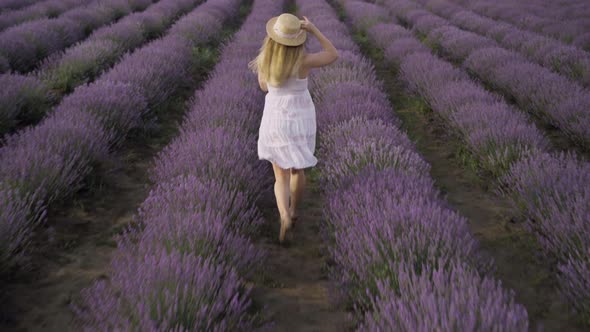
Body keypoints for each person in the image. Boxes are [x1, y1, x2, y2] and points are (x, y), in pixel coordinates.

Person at [249, 13, 338, 244]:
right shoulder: (304, 61)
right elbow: (333, 54)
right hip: (300, 118)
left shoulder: (265, 60)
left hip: (276, 118)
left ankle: (284, 214)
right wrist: (315, 30)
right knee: (298, 170)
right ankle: (295, 211)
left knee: (280, 176)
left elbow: (264, 87)